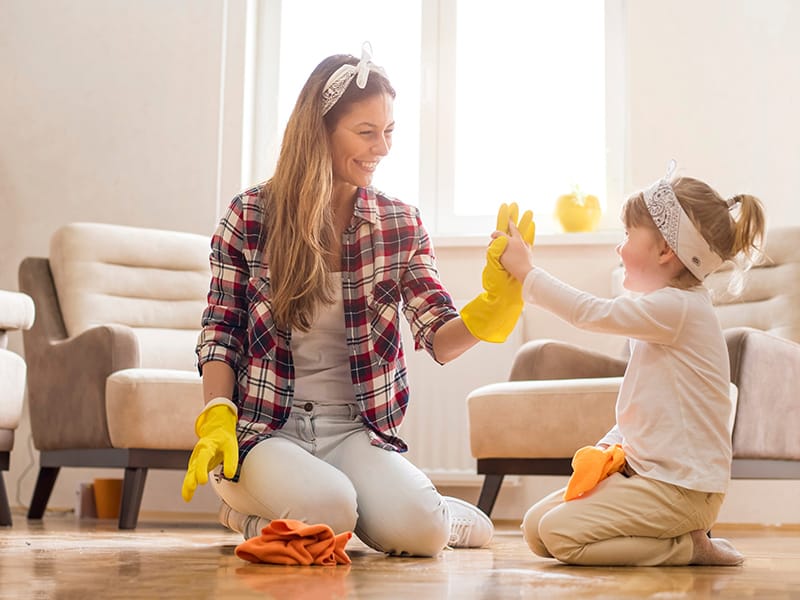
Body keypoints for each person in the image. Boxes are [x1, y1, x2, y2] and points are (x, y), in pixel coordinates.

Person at [180, 43, 533, 558]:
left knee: (423, 536)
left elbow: (439, 335)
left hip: (353, 429)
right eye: (366, 133)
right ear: (319, 130)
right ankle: (245, 512)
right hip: (266, 428)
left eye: (388, 131)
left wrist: (494, 304)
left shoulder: (399, 222)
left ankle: (425, 516)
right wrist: (216, 414)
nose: (382, 148)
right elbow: (221, 331)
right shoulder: (251, 214)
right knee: (331, 509)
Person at [497, 161, 765, 566]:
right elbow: (647, 405)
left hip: (681, 489)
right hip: (647, 476)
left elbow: (591, 313)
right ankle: (675, 538)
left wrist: (527, 274)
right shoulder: (663, 315)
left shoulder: (678, 308)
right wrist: (609, 448)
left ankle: (686, 547)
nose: (619, 248)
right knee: (537, 528)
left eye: (627, 235)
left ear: (664, 250)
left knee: (559, 535)